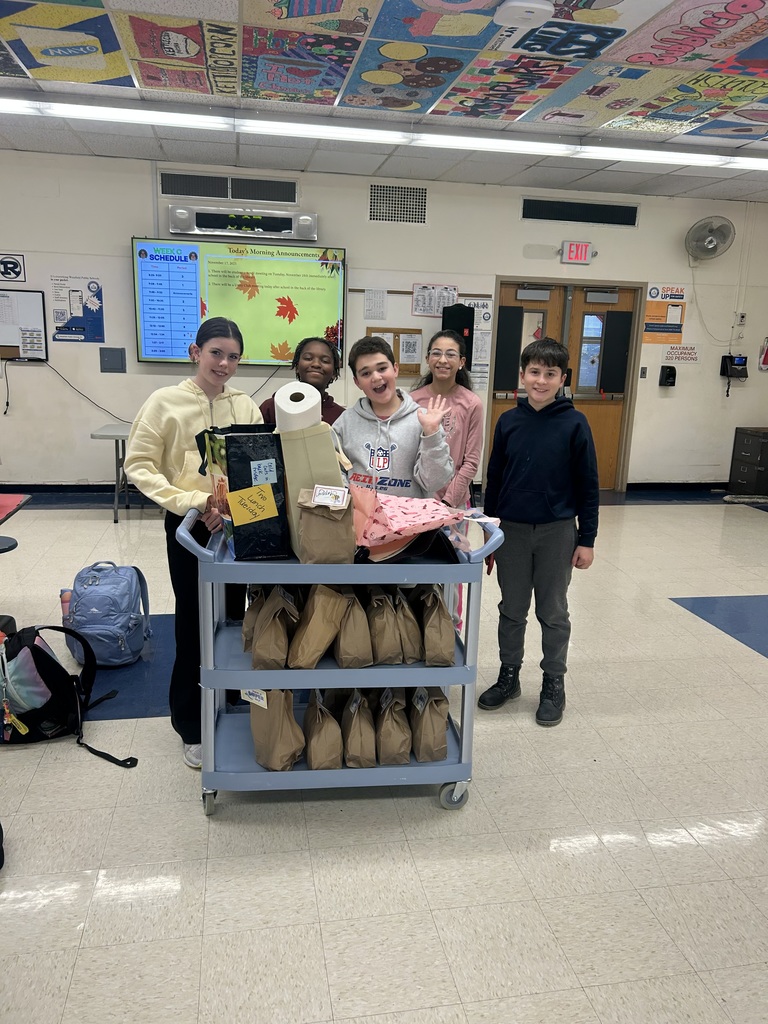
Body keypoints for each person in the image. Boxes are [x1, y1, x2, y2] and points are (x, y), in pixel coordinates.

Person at [125, 317, 263, 768]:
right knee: (195, 622)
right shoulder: (164, 403)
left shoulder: (244, 405)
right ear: (195, 352)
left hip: (239, 524)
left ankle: (233, 701)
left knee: (234, 618)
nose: (224, 364)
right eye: (216, 353)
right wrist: (194, 500)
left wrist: (243, 507)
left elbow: (261, 457)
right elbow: (140, 466)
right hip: (190, 528)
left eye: (233, 357)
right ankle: (190, 723)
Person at [479, 337, 598, 727]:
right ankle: (509, 675)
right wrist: (490, 532)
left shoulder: (574, 423)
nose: (541, 381)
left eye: (550, 374)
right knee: (511, 610)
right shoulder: (508, 420)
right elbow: (494, 478)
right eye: (534, 372)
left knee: (553, 611)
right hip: (510, 530)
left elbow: (588, 484)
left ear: (562, 378)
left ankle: (553, 681)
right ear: (522, 375)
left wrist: (587, 539)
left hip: (557, 531)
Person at [334, 335, 453, 498]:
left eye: (382, 368)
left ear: (395, 369)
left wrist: (431, 435)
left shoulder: (424, 420)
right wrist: (349, 498)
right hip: (360, 519)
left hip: (409, 520)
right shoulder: (345, 422)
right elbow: (334, 470)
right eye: (366, 373)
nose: (376, 377)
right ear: (357, 382)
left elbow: (434, 482)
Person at [411, 329, 483, 508]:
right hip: (417, 499)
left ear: (461, 362)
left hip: (453, 501)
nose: (442, 360)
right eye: (436, 353)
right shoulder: (411, 401)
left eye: (450, 354)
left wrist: (447, 501)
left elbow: (471, 462)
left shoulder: (472, 403)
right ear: (428, 359)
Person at [260, 335, 345, 426]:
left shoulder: (342, 417)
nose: (316, 364)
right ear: (297, 367)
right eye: (308, 358)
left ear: (334, 373)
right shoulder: (271, 407)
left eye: (325, 361)